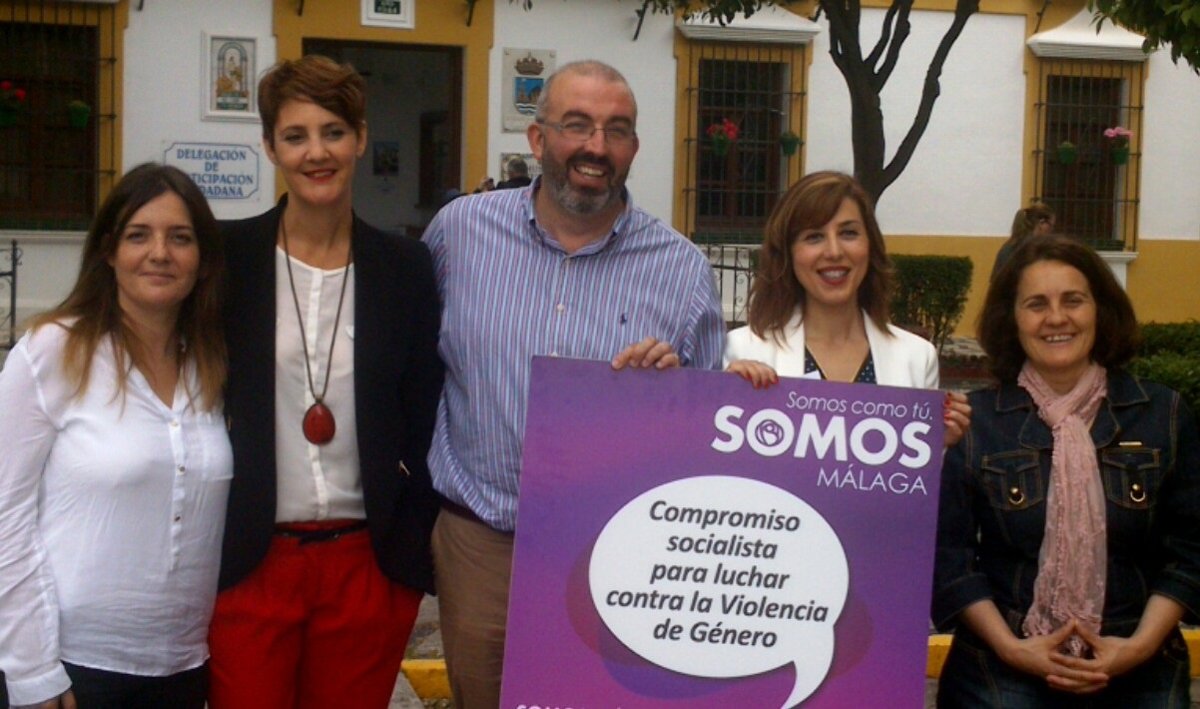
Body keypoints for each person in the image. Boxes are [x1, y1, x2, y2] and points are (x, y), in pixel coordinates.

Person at [422, 59, 724, 708]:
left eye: (617, 130)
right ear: (538, 139)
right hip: (484, 544)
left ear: (634, 148)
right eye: (577, 125)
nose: (596, 146)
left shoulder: (681, 269)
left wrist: (667, 392)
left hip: (617, 552)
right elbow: (416, 363)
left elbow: (705, 434)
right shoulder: (459, 234)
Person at [208, 55, 443, 708]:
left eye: (333, 132)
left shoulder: (405, 267)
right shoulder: (227, 259)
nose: (317, 152)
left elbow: (427, 415)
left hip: (366, 567)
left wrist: (408, 553)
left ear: (360, 139)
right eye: (296, 135)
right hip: (252, 560)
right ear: (270, 147)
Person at [933, 234, 1200, 707]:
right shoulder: (975, 424)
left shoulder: (1163, 414)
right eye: (1036, 304)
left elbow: (1191, 548)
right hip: (1002, 666)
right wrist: (1011, 648)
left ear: (1100, 310)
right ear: (1012, 318)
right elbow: (950, 557)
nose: (1056, 318)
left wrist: (1139, 647)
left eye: (1073, 300)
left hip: (1139, 658)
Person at [0, 163, 229, 708]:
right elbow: (6, 513)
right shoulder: (53, 350)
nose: (160, 253)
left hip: (184, 667)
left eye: (180, 238)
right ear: (108, 250)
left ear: (202, 260)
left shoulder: (212, 364)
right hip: (74, 669)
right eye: (138, 235)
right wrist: (31, 670)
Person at [724, 171, 970, 445]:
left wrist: (938, 443)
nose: (834, 251)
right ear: (788, 253)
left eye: (848, 233)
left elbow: (912, 469)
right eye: (814, 237)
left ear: (870, 245)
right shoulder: (741, 351)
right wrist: (722, 402)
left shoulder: (917, 357)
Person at [990, 202, 1055, 282]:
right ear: (1041, 223)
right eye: (1051, 226)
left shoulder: (1011, 244)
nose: (1051, 231)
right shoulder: (1032, 248)